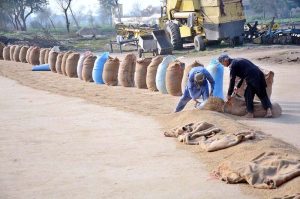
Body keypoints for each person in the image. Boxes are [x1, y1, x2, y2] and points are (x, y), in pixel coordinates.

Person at [218, 54, 272, 118]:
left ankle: (250, 113)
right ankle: (269, 111)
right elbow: (243, 76)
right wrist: (237, 86)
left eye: (222, 63)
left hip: (252, 78)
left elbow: (232, 80)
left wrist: (229, 94)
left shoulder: (233, 65)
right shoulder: (238, 60)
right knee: (262, 94)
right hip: (260, 75)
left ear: (225, 60)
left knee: (248, 95)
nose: (223, 65)